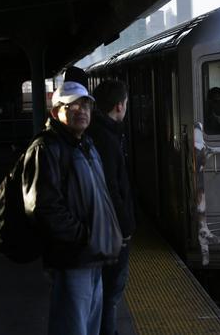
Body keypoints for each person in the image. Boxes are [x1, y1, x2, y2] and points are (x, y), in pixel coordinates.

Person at [22, 81, 122, 335]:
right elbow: (43, 208)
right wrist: (84, 237)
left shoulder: (85, 144)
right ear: (56, 112)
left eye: (86, 104)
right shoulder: (47, 147)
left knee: (88, 327)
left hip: (92, 257)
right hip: (71, 259)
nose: (81, 110)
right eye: (72, 105)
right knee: (72, 327)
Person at [88, 79, 136, 335]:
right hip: (113, 230)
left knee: (105, 293)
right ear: (119, 106)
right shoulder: (106, 138)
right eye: (126, 104)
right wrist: (125, 226)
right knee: (111, 294)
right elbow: (112, 188)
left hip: (106, 227)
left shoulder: (99, 132)